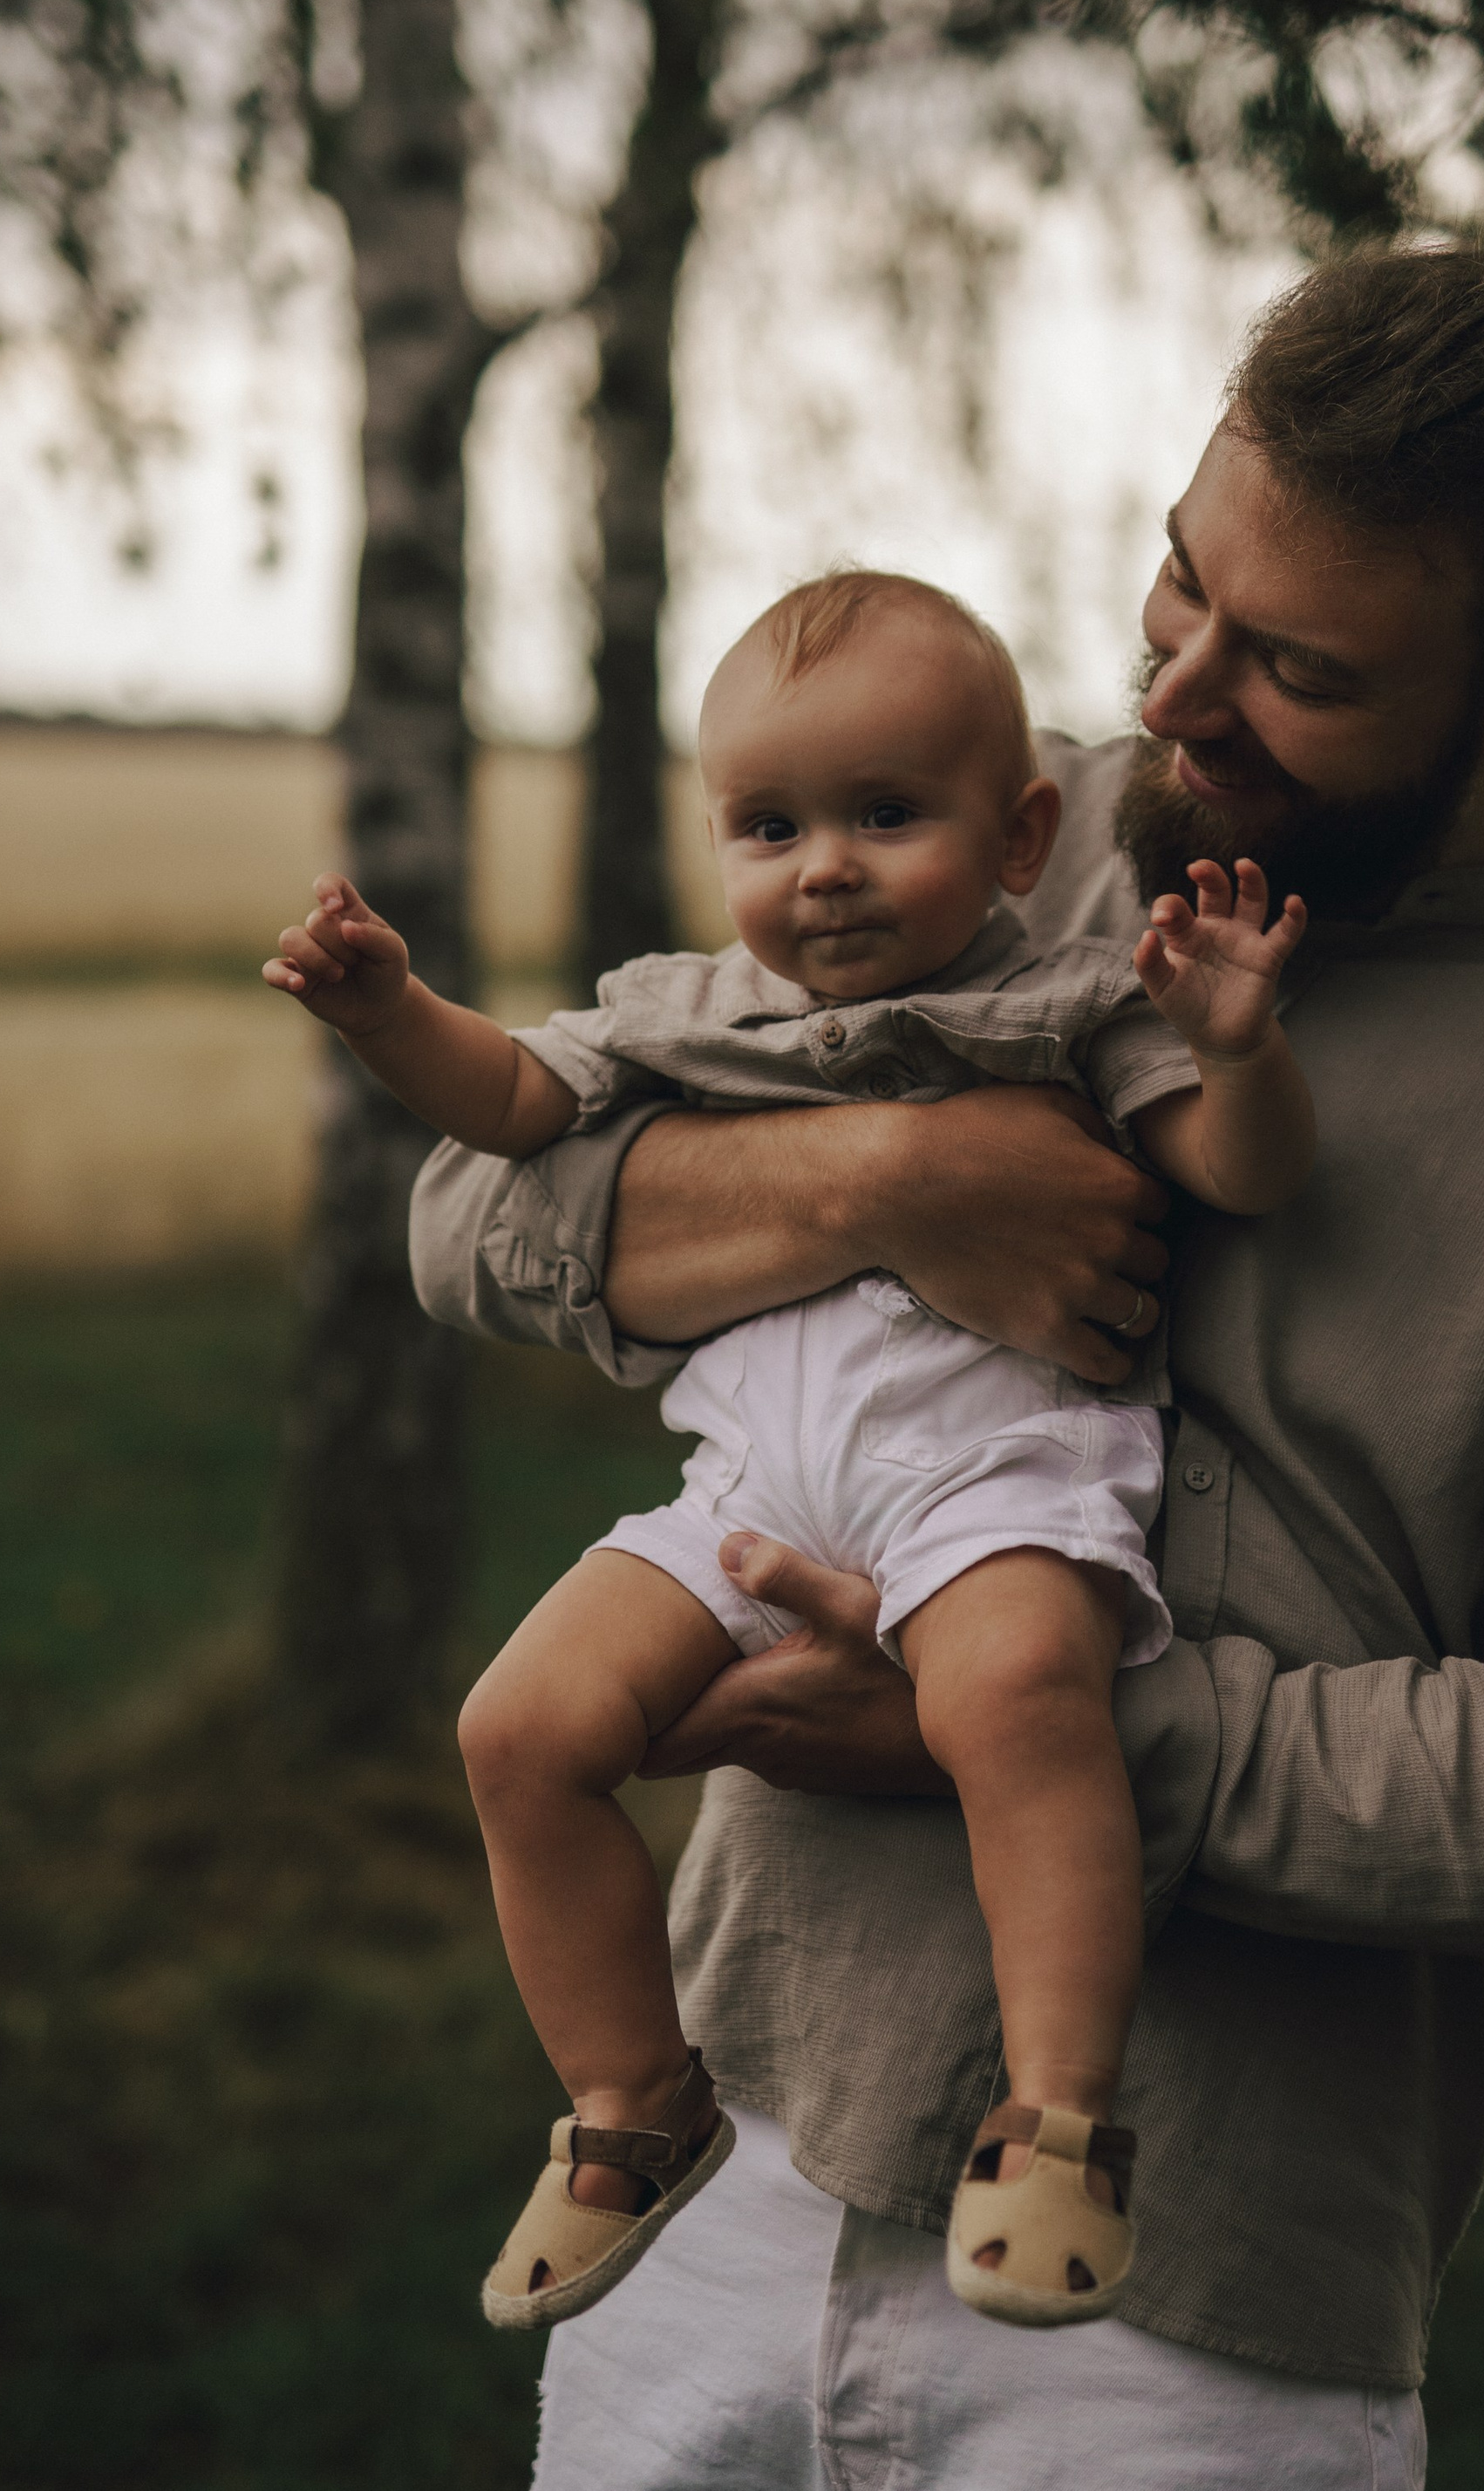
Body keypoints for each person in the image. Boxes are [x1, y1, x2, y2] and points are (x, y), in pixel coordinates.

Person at [411, 241, 1484, 2491]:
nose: (1179, 698)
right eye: (1184, 582)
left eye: (1300, 668)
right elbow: (484, 1208)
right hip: (723, 2164)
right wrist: (877, 1189)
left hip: (1194, 2318)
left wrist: (1032, 1726)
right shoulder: (1005, 836)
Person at [265, 571, 1317, 2334]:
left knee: (1011, 1709)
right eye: (767, 825)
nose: (818, 868)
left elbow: (1246, 1171)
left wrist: (1238, 1044)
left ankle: (1055, 2117)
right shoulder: (685, 1008)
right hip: (746, 1493)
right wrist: (390, 1020)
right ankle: (629, 2100)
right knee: (517, 1730)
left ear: (1017, 832)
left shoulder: (1069, 1003)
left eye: (883, 817)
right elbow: (514, 1118)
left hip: (997, 1485)